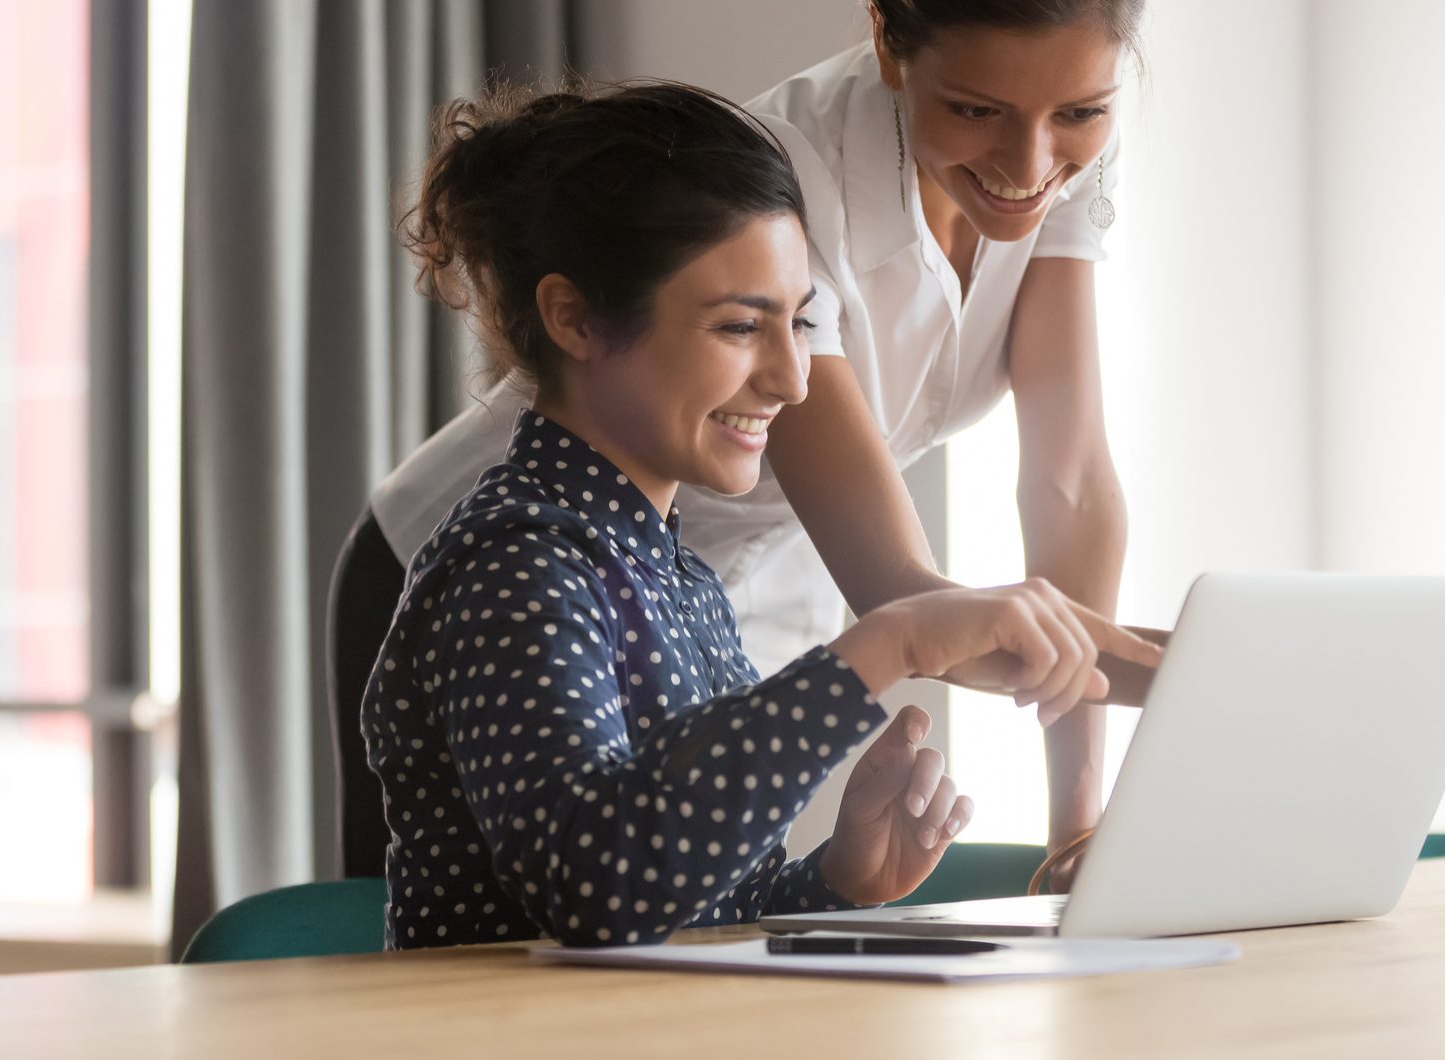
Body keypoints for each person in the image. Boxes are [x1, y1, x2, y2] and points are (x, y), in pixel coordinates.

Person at [363, 81, 1157, 948]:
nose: (793, 377)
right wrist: (884, 642)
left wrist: (836, 879)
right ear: (574, 319)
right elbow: (592, 890)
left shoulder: (679, 576)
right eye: (741, 327)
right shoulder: (516, 565)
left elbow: (695, 911)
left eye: (799, 324)